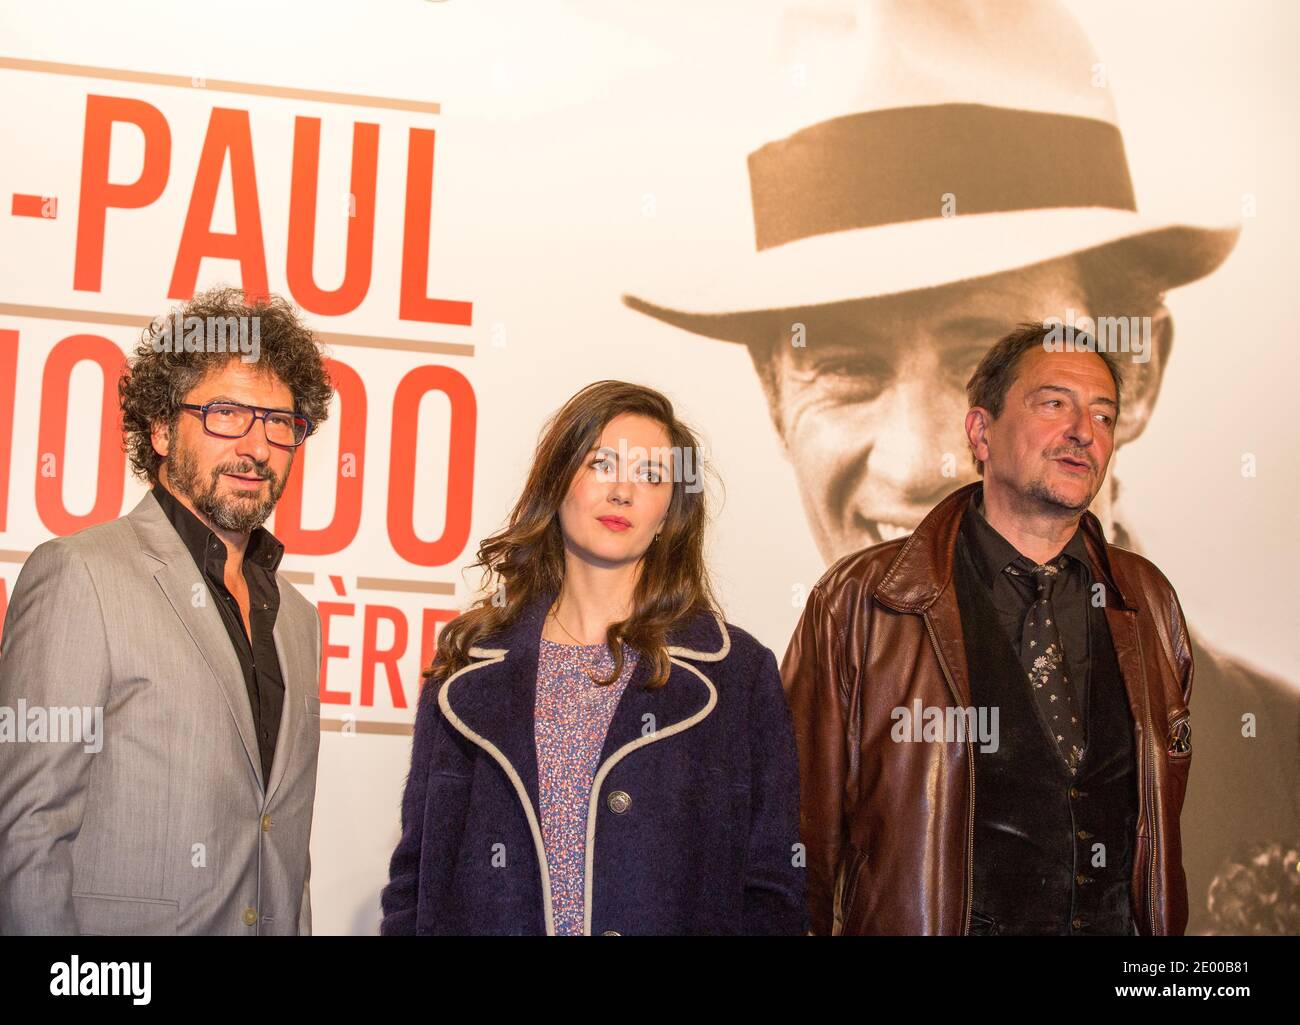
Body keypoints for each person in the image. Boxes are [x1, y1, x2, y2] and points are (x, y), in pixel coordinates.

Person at [622, 0, 1296, 933]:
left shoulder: (1280, 758)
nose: (915, 461)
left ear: (1133, 375)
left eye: (990, 365)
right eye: (846, 367)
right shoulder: (702, 766)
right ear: (777, 398)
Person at [781, 322, 1194, 935]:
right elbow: (797, 840)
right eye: (1054, 403)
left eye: (1103, 415)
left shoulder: (1149, 600)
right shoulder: (860, 602)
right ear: (981, 432)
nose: (1083, 430)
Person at [380, 380, 805, 935]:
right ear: (557, 483)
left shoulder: (736, 672)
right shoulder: (469, 661)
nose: (623, 492)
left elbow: (773, 887)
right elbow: (418, 876)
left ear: (670, 513)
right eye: (602, 464)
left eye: (651, 475)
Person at [0, 287, 333, 935]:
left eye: (280, 423)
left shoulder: (297, 618)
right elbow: (26, 835)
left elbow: (281, 848)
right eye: (227, 413)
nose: (257, 446)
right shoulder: (82, 575)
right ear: (158, 427)